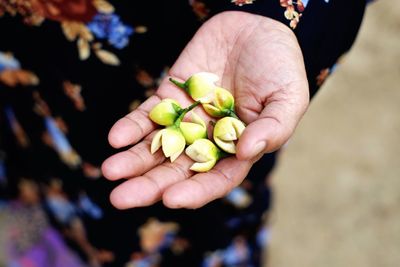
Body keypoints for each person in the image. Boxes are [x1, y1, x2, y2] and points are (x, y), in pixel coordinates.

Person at [0, 0, 367, 266]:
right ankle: (66, 239)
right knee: (39, 145)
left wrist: (273, 13)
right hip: (28, 44)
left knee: (186, 210)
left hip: (181, 37)